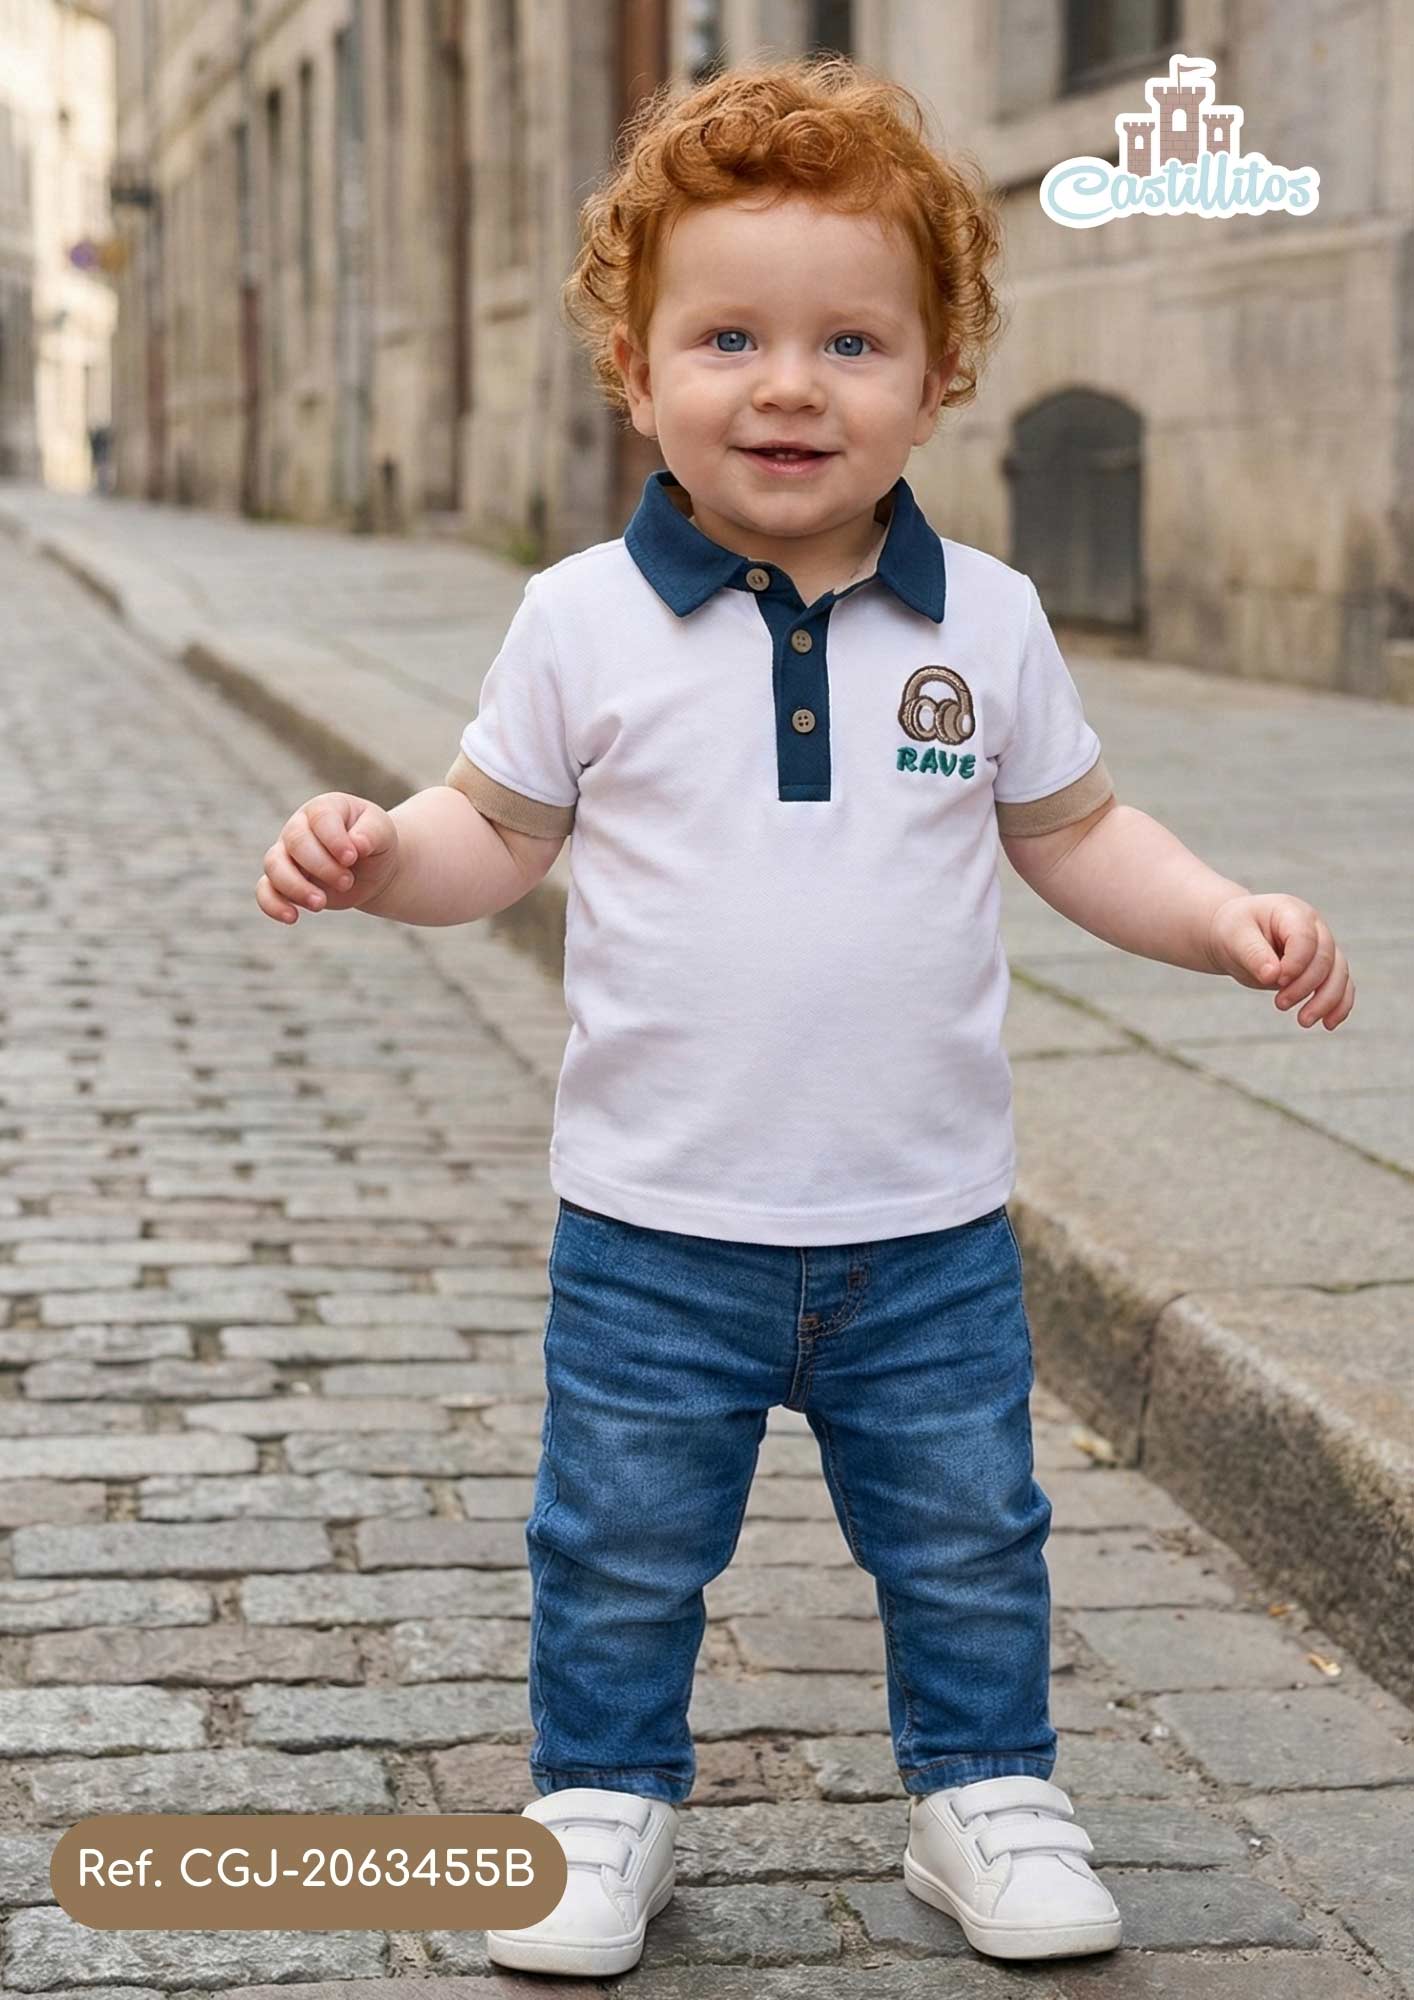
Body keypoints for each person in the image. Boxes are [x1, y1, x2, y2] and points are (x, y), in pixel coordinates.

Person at [255, 55, 1356, 1979]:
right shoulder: (581, 619)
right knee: (613, 1546)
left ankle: (985, 1793)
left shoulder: (984, 622)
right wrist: (377, 858)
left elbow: (1078, 831)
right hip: (654, 1223)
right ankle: (598, 1802)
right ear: (635, 364)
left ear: (937, 380)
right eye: (730, 337)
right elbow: (487, 835)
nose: (787, 383)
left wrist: (1218, 920)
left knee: (964, 1540)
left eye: (851, 340)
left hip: (921, 1225)